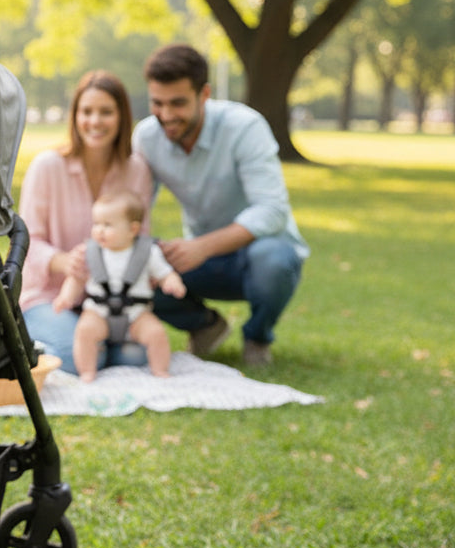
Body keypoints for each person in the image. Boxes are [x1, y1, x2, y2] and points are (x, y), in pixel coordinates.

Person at [133, 44, 309, 367]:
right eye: (157, 103)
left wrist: (201, 246)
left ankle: (257, 337)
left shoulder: (245, 127)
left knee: (275, 261)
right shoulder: (146, 136)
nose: (167, 115)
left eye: (178, 103)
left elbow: (272, 210)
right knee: (134, 262)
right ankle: (206, 327)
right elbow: (133, 206)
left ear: (204, 94)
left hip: (257, 254)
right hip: (199, 264)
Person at [18, 70, 154, 372]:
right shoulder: (47, 166)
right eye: (87, 111)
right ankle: (26, 342)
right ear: (75, 116)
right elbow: (26, 241)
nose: (95, 121)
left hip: (111, 303)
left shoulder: (136, 170)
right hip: (49, 296)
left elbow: (140, 237)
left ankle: (97, 348)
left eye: (106, 112)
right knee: (74, 357)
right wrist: (64, 262)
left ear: (121, 116)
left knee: (138, 356)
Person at [52, 190, 185, 382]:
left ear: (133, 229)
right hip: (98, 311)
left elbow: (164, 273)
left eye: (107, 225)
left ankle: (160, 370)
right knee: (85, 331)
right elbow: (77, 278)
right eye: (96, 224)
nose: (99, 230)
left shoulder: (148, 252)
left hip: (136, 313)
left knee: (156, 333)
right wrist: (66, 297)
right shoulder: (89, 252)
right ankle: (87, 372)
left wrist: (173, 282)